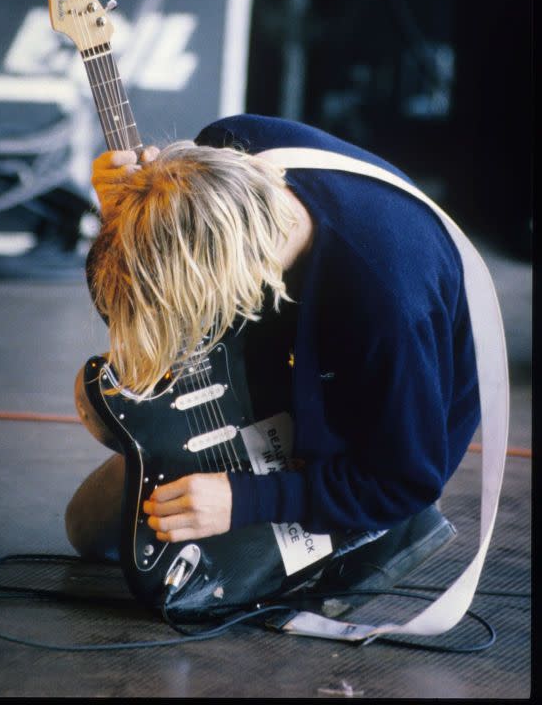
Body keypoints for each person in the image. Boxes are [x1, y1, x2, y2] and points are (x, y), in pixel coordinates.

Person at [65, 114, 481, 611]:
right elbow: (158, 309)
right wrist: (119, 215)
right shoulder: (229, 144)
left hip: (367, 433)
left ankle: (380, 536)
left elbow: (407, 478)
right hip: (281, 364)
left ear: (233, 284)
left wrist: (246, 500)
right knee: (87, 527)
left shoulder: (388, 303)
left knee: (185, 586)